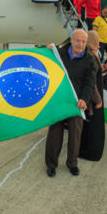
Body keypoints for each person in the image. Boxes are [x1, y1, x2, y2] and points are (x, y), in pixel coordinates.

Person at [45, 29, 97, 177]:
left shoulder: (89, 59)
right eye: (78, 40)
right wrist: (47, 51)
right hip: (59, 100)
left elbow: (90, 82)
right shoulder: (58, 54)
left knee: (75, 135)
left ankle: (72, 163)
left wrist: (84, 99)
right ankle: (51, 164)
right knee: (54, 134)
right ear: (72, 40)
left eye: (83, 41)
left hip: (77, 102)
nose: (80, 44)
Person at [79, 30, 105, 161]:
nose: (99, 45)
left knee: (89, 126)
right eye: (97, 41)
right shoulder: (91, 56)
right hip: (93, 99)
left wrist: (103, 68)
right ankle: (89, 152)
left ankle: (84, 150)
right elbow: (91, 81)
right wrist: (98, 100)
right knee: (94, 125)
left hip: (91, 97)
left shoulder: (90, 54)